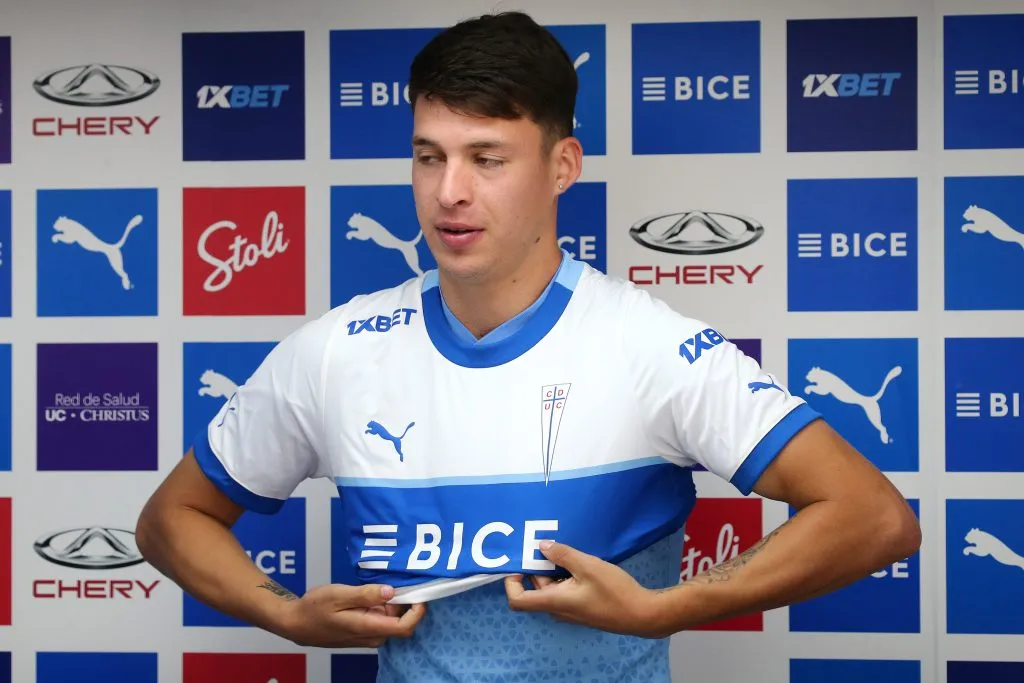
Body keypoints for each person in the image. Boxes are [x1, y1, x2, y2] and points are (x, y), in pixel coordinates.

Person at [136, 10, 921, 682]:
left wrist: (662, 609)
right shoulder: (338, 350)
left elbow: (873, 516)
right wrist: (287, 615)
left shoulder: (645, 343)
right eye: (429, 156)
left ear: (562, 167)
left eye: (486, 158)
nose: (450, 192)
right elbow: (173, 518)